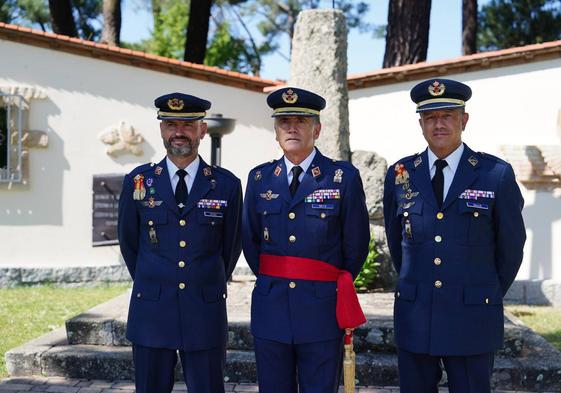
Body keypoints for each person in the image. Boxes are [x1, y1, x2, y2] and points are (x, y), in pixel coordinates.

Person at [383, 78, 526, 393]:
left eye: (447, 115)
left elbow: (511, 247)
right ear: (420, 123)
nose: (439, 124)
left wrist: (483, 291)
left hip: (471, 315)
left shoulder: (494, 174)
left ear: (464, 120)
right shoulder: (399, 174)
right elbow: (399, 245)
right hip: (416, 315)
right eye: (431, 117)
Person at [242, 86, 370, 392]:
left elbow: (356, 246)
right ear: (275, 131)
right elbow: (250, 241)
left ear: (317, 128)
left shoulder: (341, 177)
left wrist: (321, 282)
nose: (292, 127)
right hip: (271, 306)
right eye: (284, 121)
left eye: (301, 120)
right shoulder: (259, 179)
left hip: (321, 309)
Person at [118, 92, 242, 393]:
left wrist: (203, 281)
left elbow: (231, 246)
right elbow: (129, 243)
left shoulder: (226, 185)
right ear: (161, 129)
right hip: (152, 311)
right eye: (170, 124)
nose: (178, 132)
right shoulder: (139, 181)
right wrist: (156, 281)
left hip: (204, 309)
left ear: (202, 129)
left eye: (187, 125)